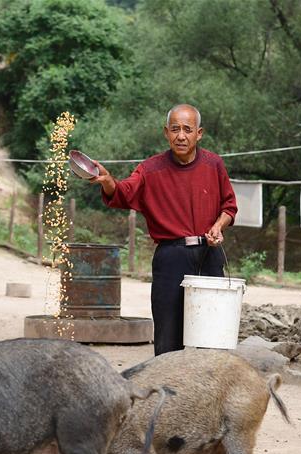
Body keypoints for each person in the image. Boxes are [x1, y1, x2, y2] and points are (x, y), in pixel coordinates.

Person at [90, 103, 238, 356]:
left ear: (199, 133)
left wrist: (218, 226)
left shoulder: (213, 164)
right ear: (166, 133)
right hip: (171, 257)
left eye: (188, 129)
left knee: (211, 333)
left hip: (209, 255)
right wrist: (108, 181)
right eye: (175, 129)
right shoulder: (150, 169)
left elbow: (229, 206)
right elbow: (124, 192)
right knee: (168, 334)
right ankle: (170, 392)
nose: (181, 136)